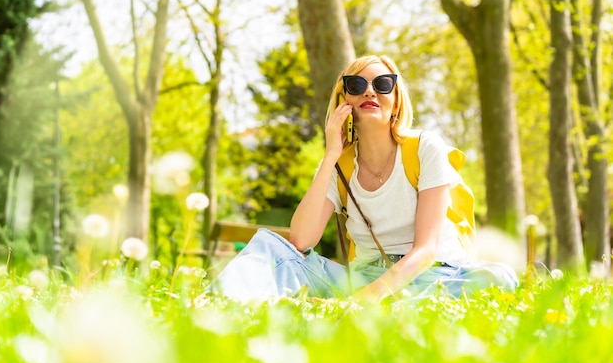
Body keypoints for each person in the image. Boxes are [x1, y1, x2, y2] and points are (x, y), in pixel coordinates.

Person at [208, 54, 518, 303]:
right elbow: (301, 241)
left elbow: (425, 250)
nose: (370, 90)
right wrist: (330, 156)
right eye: (357, 84)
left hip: (431, 275)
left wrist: (360, 301)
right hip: (362, 277)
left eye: (383, 83)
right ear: (345, 100)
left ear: (396, 100)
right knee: (271, 249)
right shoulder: (338, 164)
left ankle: (388, 305)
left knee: (498, 279)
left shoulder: (425, 148)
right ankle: (218, 310)